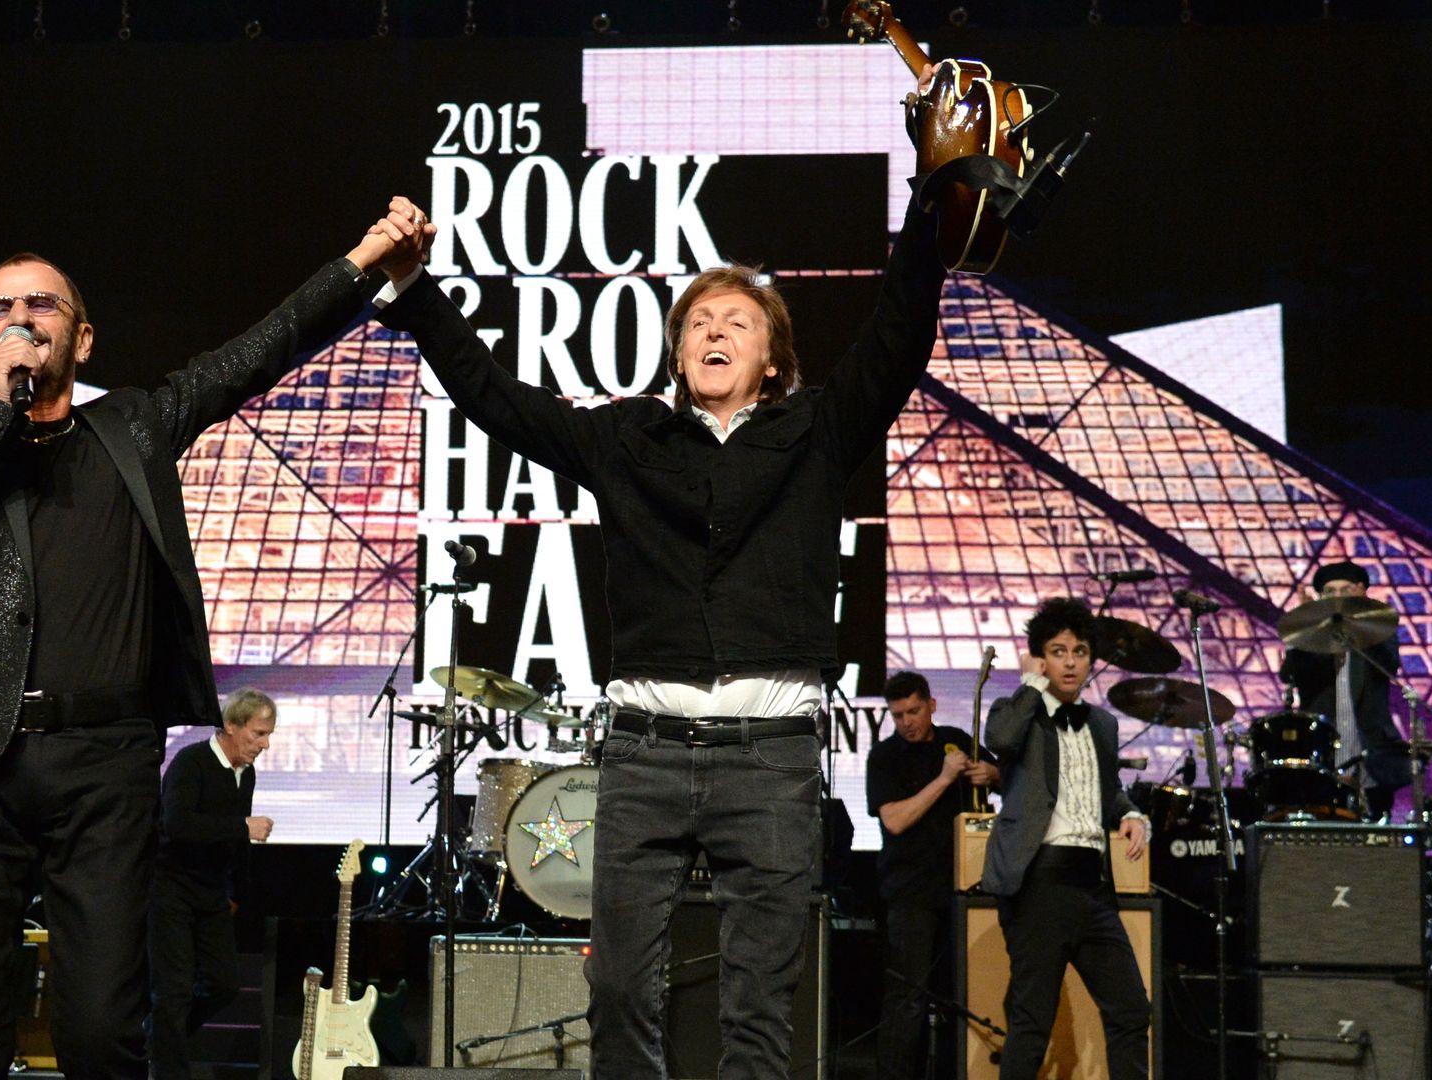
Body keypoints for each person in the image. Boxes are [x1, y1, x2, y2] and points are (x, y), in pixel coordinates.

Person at [369, 147, 947, 1073]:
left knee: (761, 1004)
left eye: (739, 322)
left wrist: (930, 203)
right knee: (621, 993)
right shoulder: (626, 437)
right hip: (642, 754)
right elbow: (497, 403)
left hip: (772, 760)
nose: (715, 332)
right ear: (678, 352)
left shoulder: (817, 430)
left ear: (771, 355)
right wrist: (415, 285)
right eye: (698, 323)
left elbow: (899, 332)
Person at [0, 205, 422, 1080]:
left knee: (100, 1029)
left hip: (102, 769)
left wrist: (364, 261)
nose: (22, 320)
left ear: (83, 339)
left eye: (43, 306)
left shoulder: (131, 429)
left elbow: (261, 349)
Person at [981, 598, 1150, 1080]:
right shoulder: (1018, 713)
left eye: (1078, 651)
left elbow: (1108, 792)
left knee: (1132, 1011)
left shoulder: (1103, 723)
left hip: (1093, 887)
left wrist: (1133, 814)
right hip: (1040, 884)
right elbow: (1001, 739)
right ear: (1041, 658)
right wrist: (1031, 682)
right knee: (1032, 1022)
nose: (1070, 661)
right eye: (1058, 651)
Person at [867, 670, 997, 1080]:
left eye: (914, 710)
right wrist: (944, 778)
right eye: (899, 714)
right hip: (911, 893)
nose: (907, 721)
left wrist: (990, 775)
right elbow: (895, 820)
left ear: (932, 705)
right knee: (908, 999)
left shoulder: (956, 739)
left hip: (964, 889)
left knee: (965, 992)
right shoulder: (884, 757)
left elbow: (1001, 775)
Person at [149, 688, 276, 1079]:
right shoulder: (192, 763)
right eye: (258, 733)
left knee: (224, 985)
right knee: (174, 992)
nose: (265, 744)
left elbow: (231, 843)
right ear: (231, 726)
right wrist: (242, 827)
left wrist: (235, 891)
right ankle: (169, 1069)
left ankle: (157, 1040)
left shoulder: (246, 773)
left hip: (211, 893)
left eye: (268, 734)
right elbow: (178, 826)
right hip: (171, 889)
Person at [1279, 560, 1407, 819]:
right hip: (1322, 752)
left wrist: (1360, 626)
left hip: (1370, 750)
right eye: (1329, 592)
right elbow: (1289, 674)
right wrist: (1307, 627)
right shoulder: (1310, 637)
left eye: (1345, 590)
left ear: (1360, 591)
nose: (1337, 598)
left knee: (1377, 833)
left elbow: (1390, 666)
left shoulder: (1379, 631)